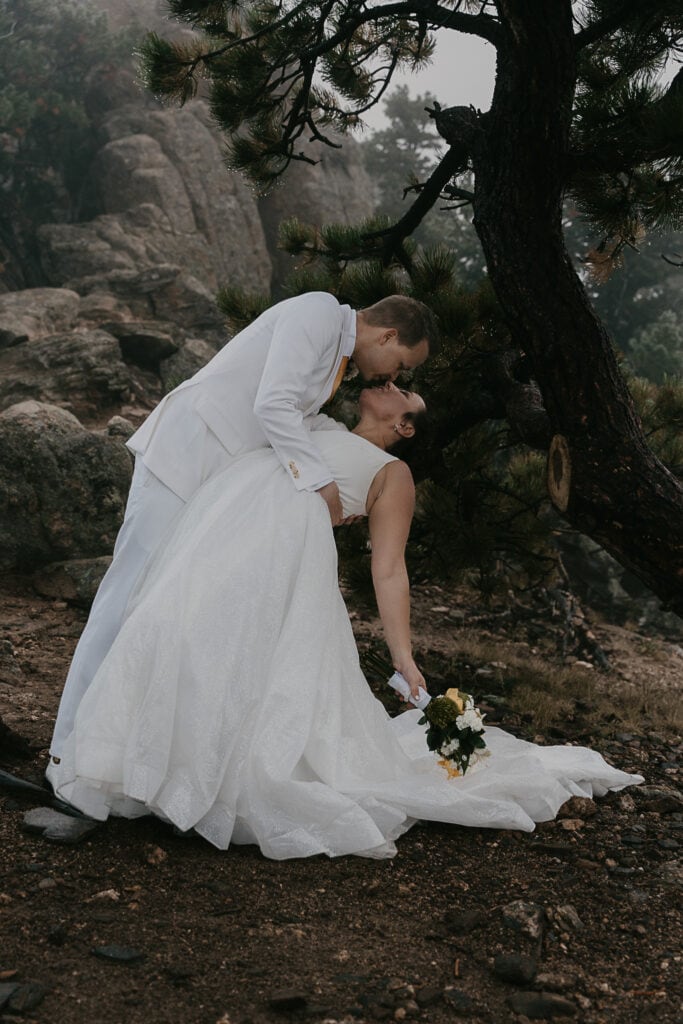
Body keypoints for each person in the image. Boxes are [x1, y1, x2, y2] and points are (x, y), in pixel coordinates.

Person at [46, 385, 641, 859]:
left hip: (280, 560)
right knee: (175, 636)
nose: (390, 384)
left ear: (406, 426)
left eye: (404, 391)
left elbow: (389, 572)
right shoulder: (315, 426)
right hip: (222, 536)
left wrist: (404, 658)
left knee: (242, 665)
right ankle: (149, 765)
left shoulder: (391, 473)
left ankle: (208, 783)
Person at [49, 292, 439, 761]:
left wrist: (348, 477)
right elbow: (273, 402)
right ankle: (69, 746)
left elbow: (300, 415)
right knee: (127, 596)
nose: (392, 376)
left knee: (165, 608)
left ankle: (124, 747)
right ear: (388, 335)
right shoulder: (317, 312)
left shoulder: (337, 358)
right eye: (398, 363)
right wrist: (323, 485)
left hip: (218, 490)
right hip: (186, 456)